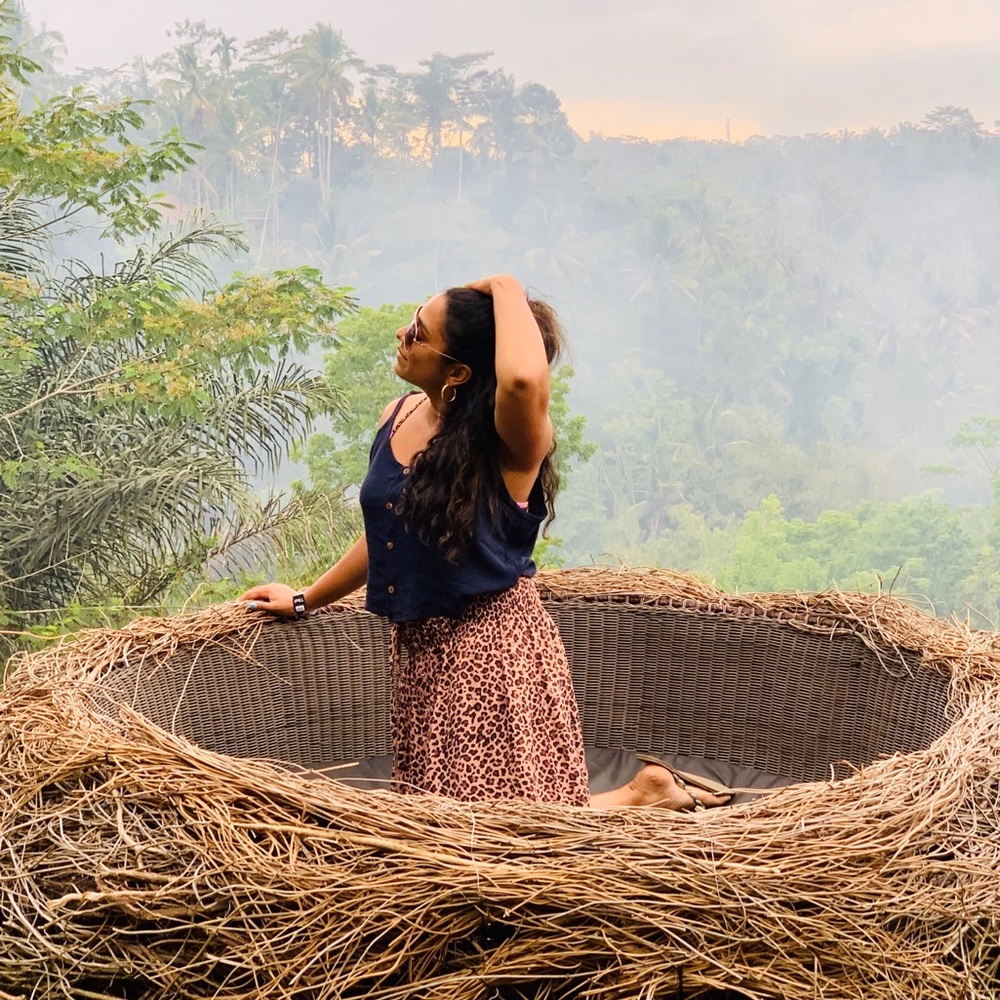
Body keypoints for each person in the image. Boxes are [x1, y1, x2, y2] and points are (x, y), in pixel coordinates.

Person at [240, 274, 729, 812]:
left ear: (458, 372)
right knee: (462, 817)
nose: (402, 334)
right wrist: (307, 597)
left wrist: (505, 287)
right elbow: (388, 535)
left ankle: (642, 797)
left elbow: (520, 381)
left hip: (491, 653)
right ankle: (645, 794)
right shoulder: (397, 415)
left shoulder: (511, 443)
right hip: (421, 652)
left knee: (496, 830)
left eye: (419, 334)